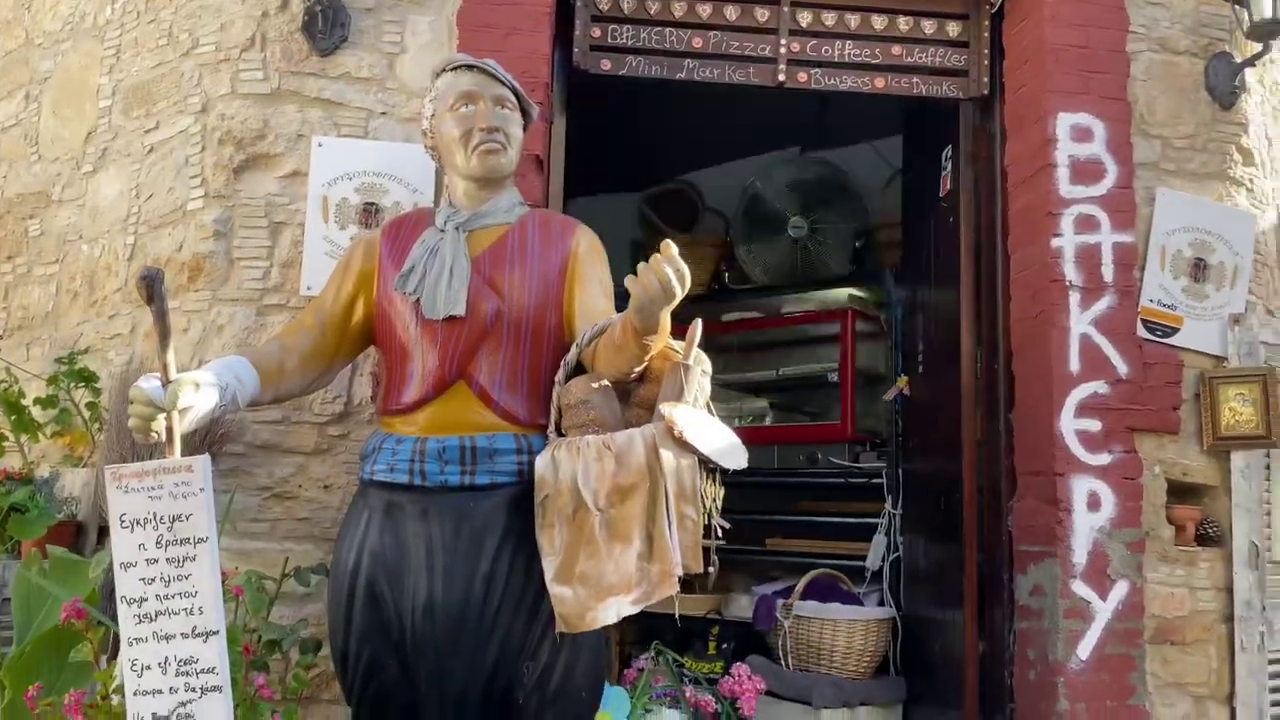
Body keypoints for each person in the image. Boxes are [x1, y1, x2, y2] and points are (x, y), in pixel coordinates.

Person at [126, 54, 692, 718]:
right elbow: (303, 351)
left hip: (522, 519)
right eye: (465, 106)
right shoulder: (382, 250)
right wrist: (215, 384)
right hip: (393, 520)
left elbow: (600, 354)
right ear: (431, 138)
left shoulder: (569, 244)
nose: (489, 119)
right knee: (393, 696)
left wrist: (646, 322)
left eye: (505, 108)